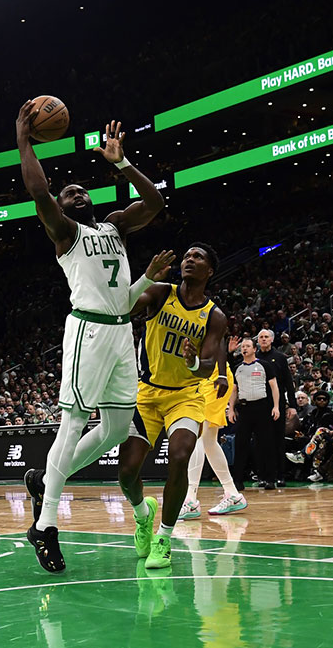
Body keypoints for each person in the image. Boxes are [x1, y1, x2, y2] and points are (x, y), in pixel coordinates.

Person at [16, 104, 166, 573]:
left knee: (118, 430)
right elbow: (39, 190)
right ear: (60, 209)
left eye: (82, 189)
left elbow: (156, 204)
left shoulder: (116, 226)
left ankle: (45, 477)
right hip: (88, 330)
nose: (77, 193)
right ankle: (45, 526)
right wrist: (24, 141)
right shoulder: (65, 232)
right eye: (69, 193)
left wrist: (122, 163)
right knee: (73, 425)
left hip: (123, 335)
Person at [118, 243, 228, 570]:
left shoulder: (215, 316)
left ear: (209, 270)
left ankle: (164, 538)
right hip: (147, 394)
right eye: (187, 256)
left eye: (198, 257)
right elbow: (122, 307)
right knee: (126, 473)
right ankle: (142, 515)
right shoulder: (160, 291)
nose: (189, 259)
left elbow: (208, 364)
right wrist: (144, 278)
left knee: (180, 455)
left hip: (186, 395)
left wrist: (194, 362)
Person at [181, 358, 247, 519]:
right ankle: (232, 493)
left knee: (196, 432)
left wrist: (222, 375)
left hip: (214, 377)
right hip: (203, 377)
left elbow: (218, 343)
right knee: (209, 442)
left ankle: (190, 499)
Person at [227, 338, 280, 490]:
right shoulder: (237, 367)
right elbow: (234, 390)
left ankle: (270, 479)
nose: (244, 349)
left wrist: (276, 406)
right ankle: (237, 481)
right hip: (244, 409)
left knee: (266, 444)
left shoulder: (265, 365)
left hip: (262, 408)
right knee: (240, 444)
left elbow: (274, 387)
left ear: (254, 349)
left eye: (248, 346)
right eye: (243, 346)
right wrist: (231, 409)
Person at [255, 329, 295, 487]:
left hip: (276, 404)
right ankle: (262, 476)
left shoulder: (279, 357)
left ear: (271, 339)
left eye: (266, 337)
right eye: (261, 337)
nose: (263, 339)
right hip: (258, 404)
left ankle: (280, 475)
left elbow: (288, 382)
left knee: (278, 441)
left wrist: (292, 405)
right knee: (260, 442)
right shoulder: (254, 358)